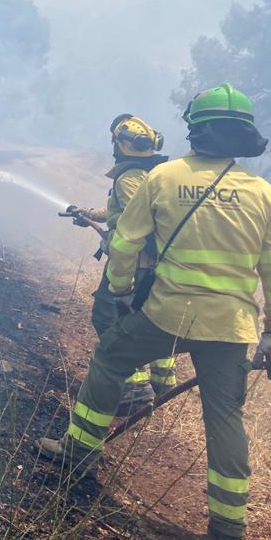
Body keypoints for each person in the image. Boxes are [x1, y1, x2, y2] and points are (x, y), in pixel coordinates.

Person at [40, 84, 271, 540]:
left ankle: (77, 458)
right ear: (243, 135)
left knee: (111, 355)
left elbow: (125, 243)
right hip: (230, 327)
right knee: (224, 417)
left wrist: (117, 293)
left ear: (194, 130)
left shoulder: (163, 178)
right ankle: (228, 530)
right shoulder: (265, 195)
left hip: (166, 314)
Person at [66, 114, 175, 414]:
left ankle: (134, 385)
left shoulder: (128, 178)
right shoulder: (151, 174)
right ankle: (162, 381)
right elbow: (126, 211)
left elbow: (134, 221)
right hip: (153, 263)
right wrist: (89, 214)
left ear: (121, 145)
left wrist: (115, 239)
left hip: (134, 262)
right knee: (147, 315)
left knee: (107, 313)